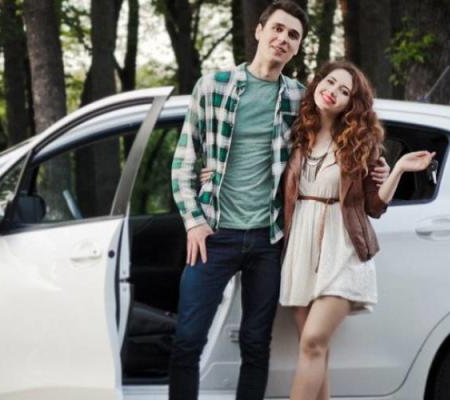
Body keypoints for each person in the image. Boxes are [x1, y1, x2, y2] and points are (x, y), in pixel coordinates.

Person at [168, 2, 388, 398]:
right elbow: (184, 162)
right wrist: (193, 220)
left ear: (299, 46)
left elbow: (338, 137)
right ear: (259, 31)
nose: (283, 39)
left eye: (293, 35)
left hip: (270, 241)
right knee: (187, 339)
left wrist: (380, 169)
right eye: (278, 29)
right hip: (214, 235)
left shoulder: (300, 98)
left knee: (255, 344)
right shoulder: (212, 86)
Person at [279, 61, 435, 400]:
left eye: (344, 91)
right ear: (318, 83)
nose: (333, 92)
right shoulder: (297, 134)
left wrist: (399, 171)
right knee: (317, 351)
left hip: (342, 246)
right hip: (302, 246)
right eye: (330, 82)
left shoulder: (359, 143)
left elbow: (374, 207)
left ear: (352, 103)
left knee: (313, 342)